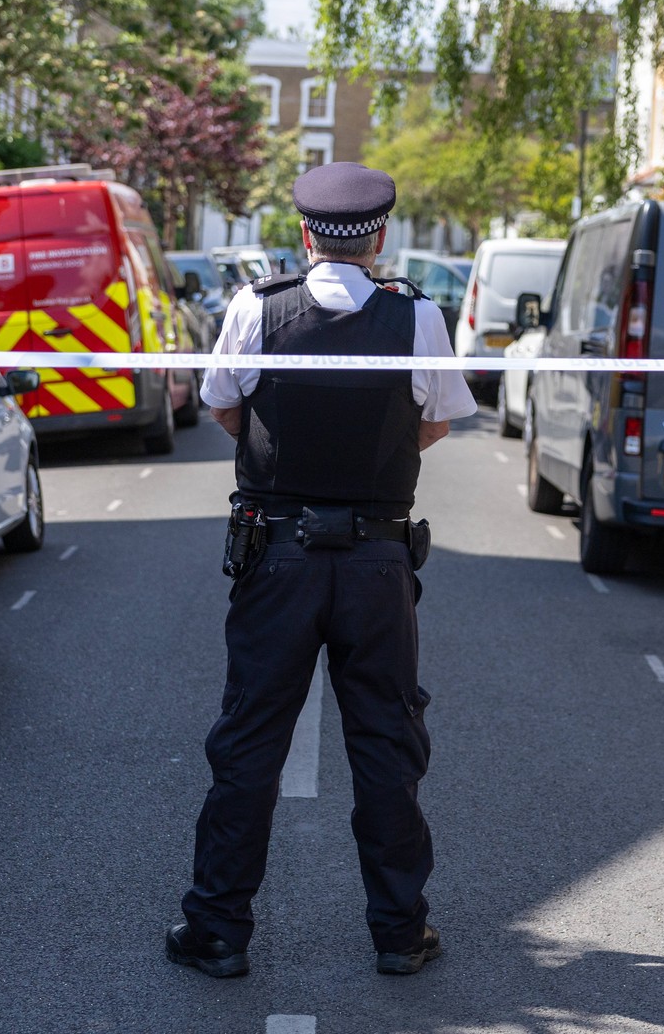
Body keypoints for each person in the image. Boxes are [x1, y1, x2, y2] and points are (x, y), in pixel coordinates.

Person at [167, 162, 476, 979]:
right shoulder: (418, 317)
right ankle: (400, 934)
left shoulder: (256, 308)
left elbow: (227, 410)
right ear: (379, 237)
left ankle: (218, 931)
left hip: (277, 559)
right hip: (378, 563)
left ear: (306, 235)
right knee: (386, 745)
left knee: (249, 744)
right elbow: (436, 425)